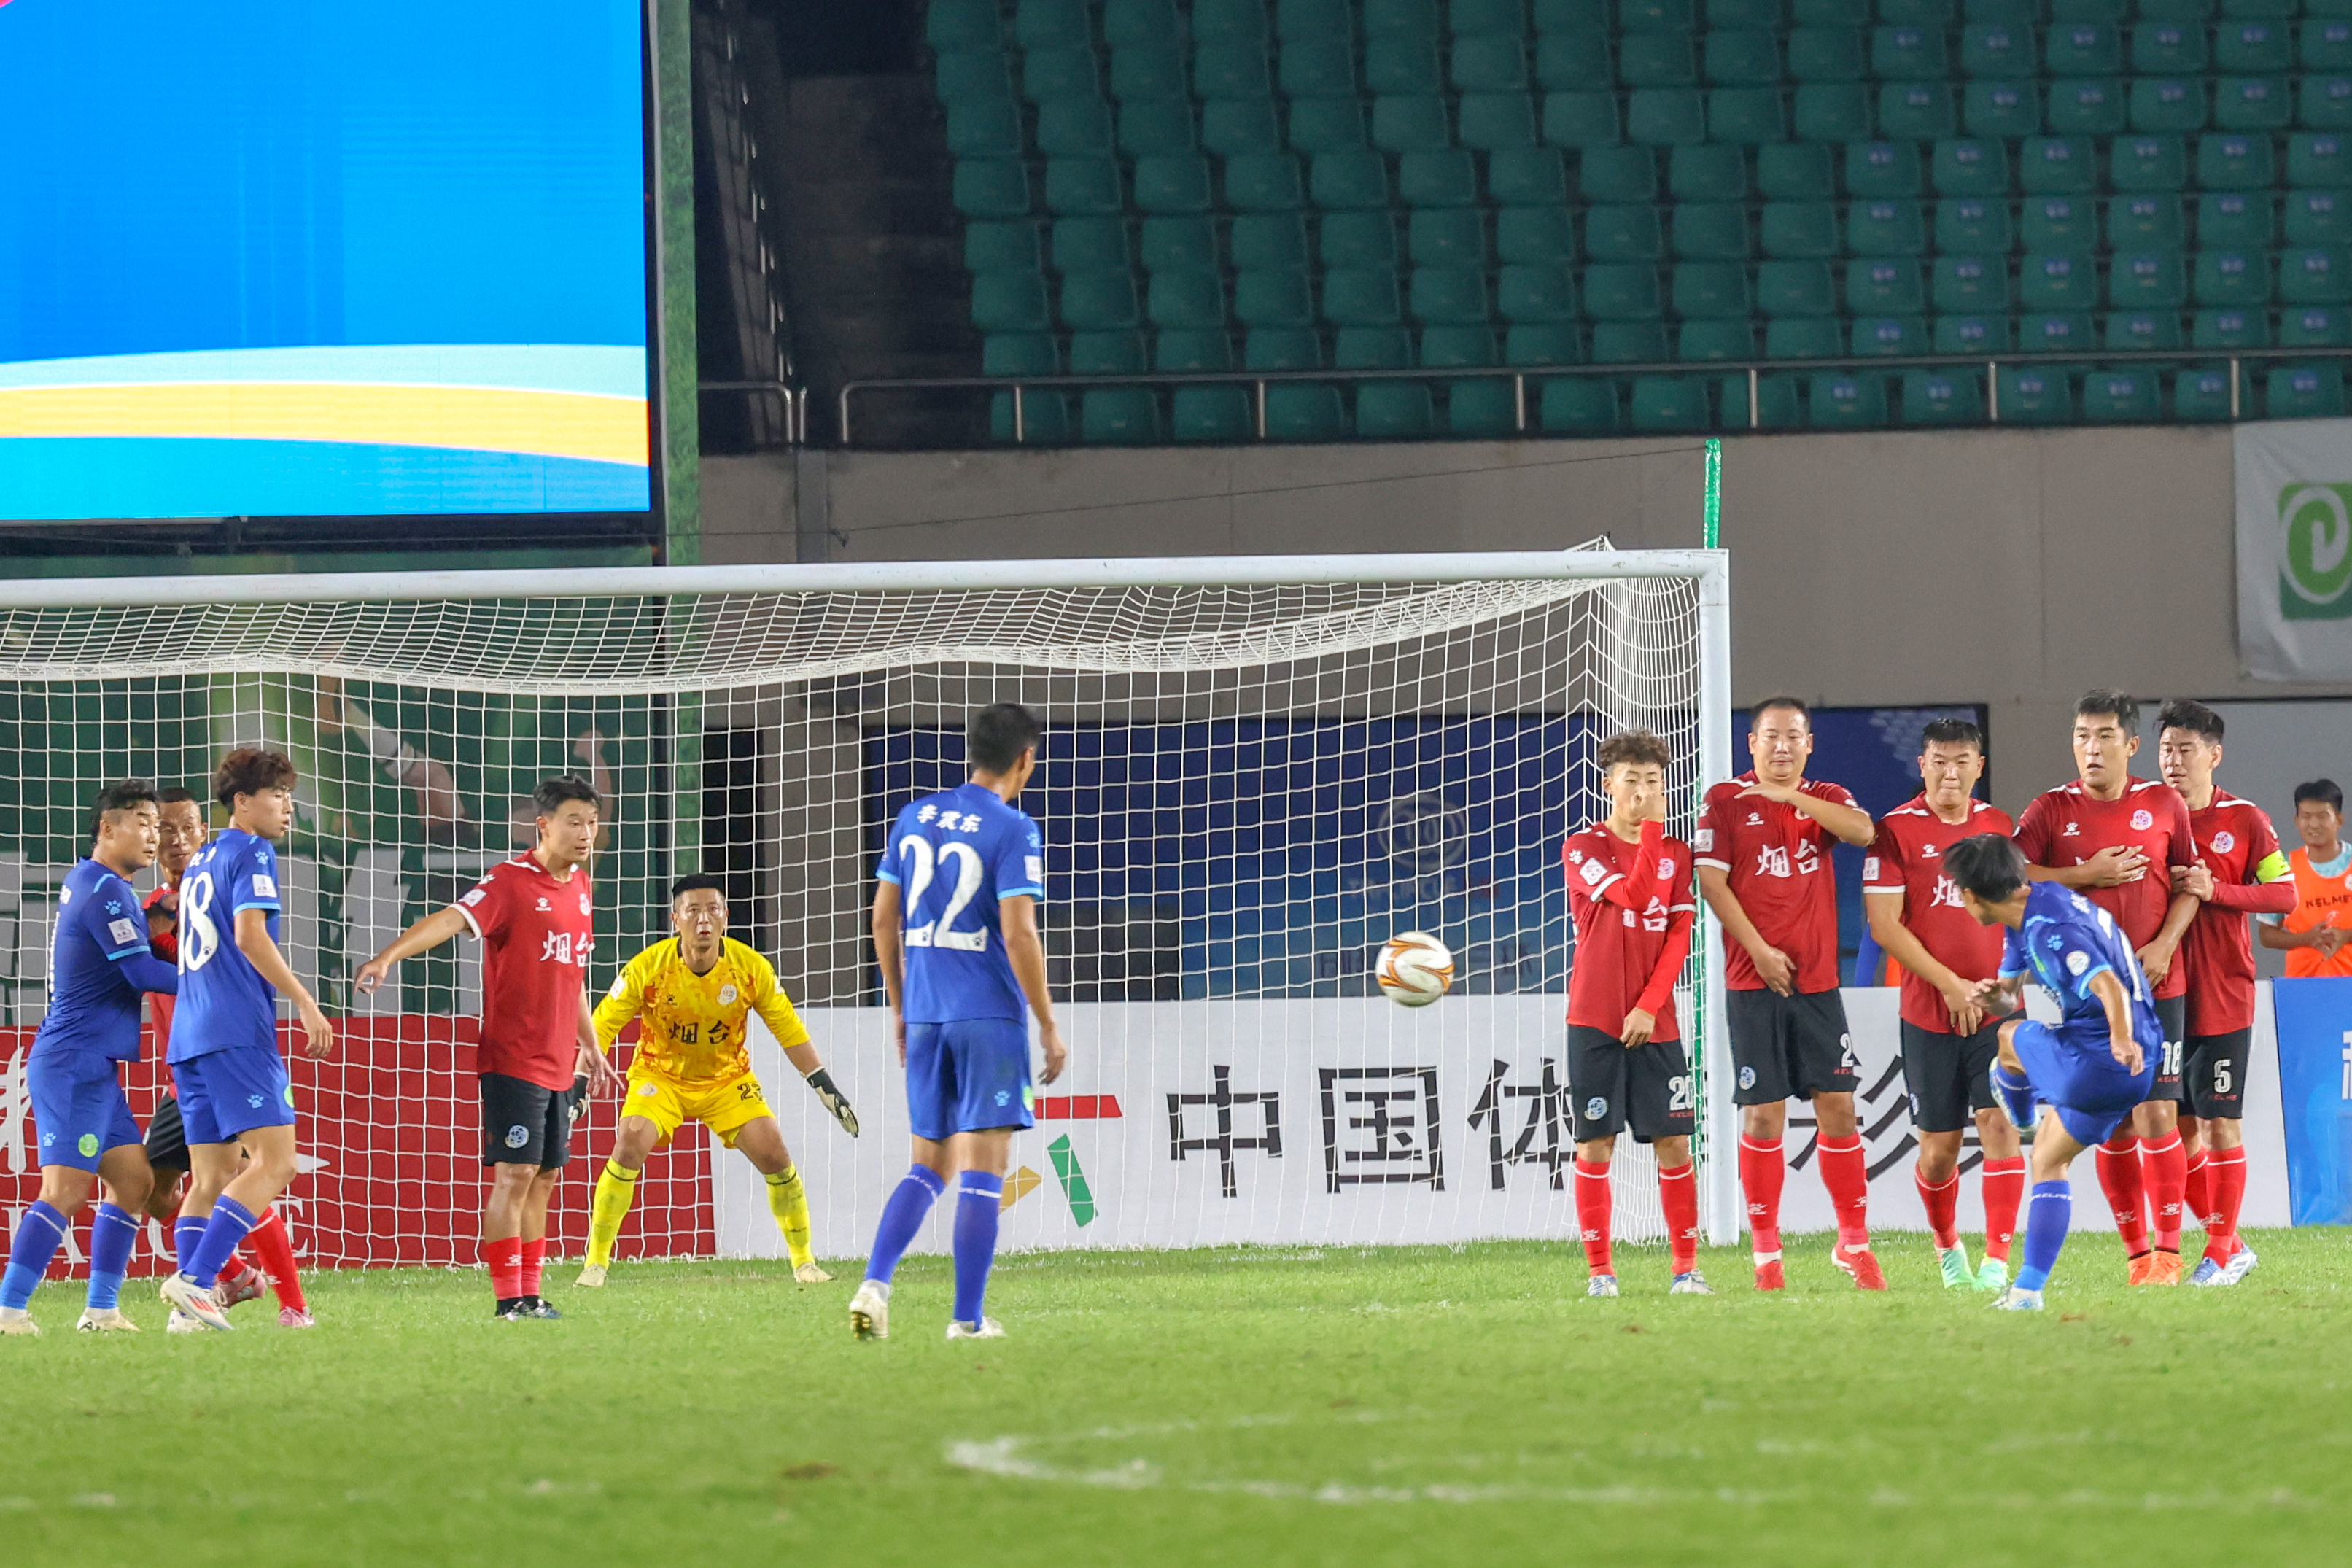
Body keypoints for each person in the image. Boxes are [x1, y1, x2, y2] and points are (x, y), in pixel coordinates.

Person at [356, 776, 615, 1321]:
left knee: (545, 1177)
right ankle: (506, 1298)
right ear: (543, 825)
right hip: (513, 1059)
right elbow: (450, 920)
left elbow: (573, 972)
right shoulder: (508, 882)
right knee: (514, 1175)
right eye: (574, 822)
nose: (586, 833)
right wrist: (387, 957)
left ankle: (531, 1294)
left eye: (592, 823)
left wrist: (590, 1044)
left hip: (559, 1062)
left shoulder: (581, 886)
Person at [848, 703, 1067, 1342]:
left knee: (927, 1165)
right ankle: (966, 1320)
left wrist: (899, 1006)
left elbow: (882, 919)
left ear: (972, 751)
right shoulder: (1013, 829)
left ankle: (874, 1285)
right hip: (987, 1016)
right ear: (1025, 759)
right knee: (982, 1170)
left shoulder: (913, 817)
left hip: (925, 1015)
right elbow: (1019, 933)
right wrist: (1047, 1025)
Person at [580, 874, 860, 1287]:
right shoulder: (648, 968)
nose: (704, 920)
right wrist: (577, 1080)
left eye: (713, 910)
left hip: (727, 1080)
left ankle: (805, 1263)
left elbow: (788, 1029)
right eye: (693, 911)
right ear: (675, 919)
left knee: (775, 1154)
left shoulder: (750, 969)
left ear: (726, 917)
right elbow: (602, 1025)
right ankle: (595, 1264)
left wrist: (824, 1086)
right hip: (660, 1076)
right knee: (630, 1141)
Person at [1694, 697, 1882, 1292]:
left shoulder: (1825, 796)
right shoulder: (1723, 800)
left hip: (1817, 983)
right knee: (1763, 1113)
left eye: (1792, 736)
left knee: (1838, 1105)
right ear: (1751, 743)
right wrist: (1756, 949)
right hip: (1752, 981)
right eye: (1770, 736)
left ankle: (1853, 1244)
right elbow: (1710, 881)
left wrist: (1789, 797)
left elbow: (1864, 831)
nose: (1781, 746)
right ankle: (1766, 1256)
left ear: (1809, 744)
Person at [2012, 691, 2200, 1285]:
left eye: (2103, 736)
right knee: (2111, 1123)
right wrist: (2082, 874)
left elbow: (2191, 884)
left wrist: (2164, 943)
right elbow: (2010, 878)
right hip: (2080, 1000)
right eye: (2081, 736)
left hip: (2156, 985)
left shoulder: (2164, 803)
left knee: (2157, 1112)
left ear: (2130, 744)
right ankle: (2137, 1254)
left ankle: (2168, 1252)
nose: (2090, 748)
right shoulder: (2048, 809)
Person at [1941, 834, 2162, 1311]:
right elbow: (2008, 997)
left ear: (1972, 895)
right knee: (2047, 1160)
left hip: (2104, 1059)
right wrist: (1994, 997)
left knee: (2007, 1040)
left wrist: (2120, 1038)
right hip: (2136, 1064)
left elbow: (2107, 984)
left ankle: (2021, 1114)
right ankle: (2026, 1292)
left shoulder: (2048, 929)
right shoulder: (2036, 907)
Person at [156, 752, 336, 1332]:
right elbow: (250, 936)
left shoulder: (202, 861)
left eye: (289, 796)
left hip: (189, 1037)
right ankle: (196, 1281)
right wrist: (305, 1001)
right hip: (236, 1031)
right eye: (277, 795)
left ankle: (188, 1312)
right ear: (242, 802)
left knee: (210, 1179)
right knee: (275, 1162)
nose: (287, 807)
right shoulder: (252, 851)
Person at [0, 783, 180, 1335]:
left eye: (156, 825)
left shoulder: (97, 882)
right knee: (65, 1190)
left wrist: (156, 921)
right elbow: (141, 973)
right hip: (73, 1061)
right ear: (108, 828)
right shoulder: (105, 889)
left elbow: (120, 953)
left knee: (134, 1181)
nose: (153, 835)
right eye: (142, 822)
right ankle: (9, 1310)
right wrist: (216, 979)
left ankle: (101, 1310)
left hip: (92, 1065)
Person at [1861, 718, 2024, 1292]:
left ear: (1978, 767)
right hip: (1928, 1010)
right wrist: (1950, 985)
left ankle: (1997, 1261)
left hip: (1997, 1007)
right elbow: (1883, 925)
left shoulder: (1998, 827)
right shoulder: (1894, 831)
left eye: (1961, 761)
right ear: (1922, 765)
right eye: (1939, 761)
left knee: (1999, 1124)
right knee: (1938, 1152)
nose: (1949, 773)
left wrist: (2002, 986)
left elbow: (2016, 913)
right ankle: (1947, 1245)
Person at [1561, 730, 1707, 1297]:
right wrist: (1649, 833)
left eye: (1653, 781)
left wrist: (1648, 1006)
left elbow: (1678, 935)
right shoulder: (1583, 848)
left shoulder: (1678, 854)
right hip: (1594, 1016)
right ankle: (1600, 1273)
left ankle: (1686, 1270)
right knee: (1596, 1143)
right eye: (1631, 780)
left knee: (1674, 1143)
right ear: (1609, 786)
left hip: (1655, 1021)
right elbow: (1634, 897)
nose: (1643, 791)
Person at [2155, 702, 2295, 1286]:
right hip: (2162, 998)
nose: (2173, 761)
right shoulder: (2146, 815)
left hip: (2222, 995)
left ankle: (2216, 1254)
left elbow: (2284, 895)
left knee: (2219, 1127)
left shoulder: (2245, 819)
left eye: (2185, 750)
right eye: (2165, 749)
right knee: (2172, 1132)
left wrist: (2218, 891)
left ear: (2213, 755)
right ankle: (2230, 1246)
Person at [2259, 780, 2352, 977]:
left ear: (2339, 820)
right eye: (2307, 816)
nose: (2314, 824)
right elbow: (2266, 935)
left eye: (2323, 816)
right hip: (2302, 984)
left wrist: (2347, 936)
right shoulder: (2283, 870)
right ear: (2297, 821)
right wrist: (2307, 939)